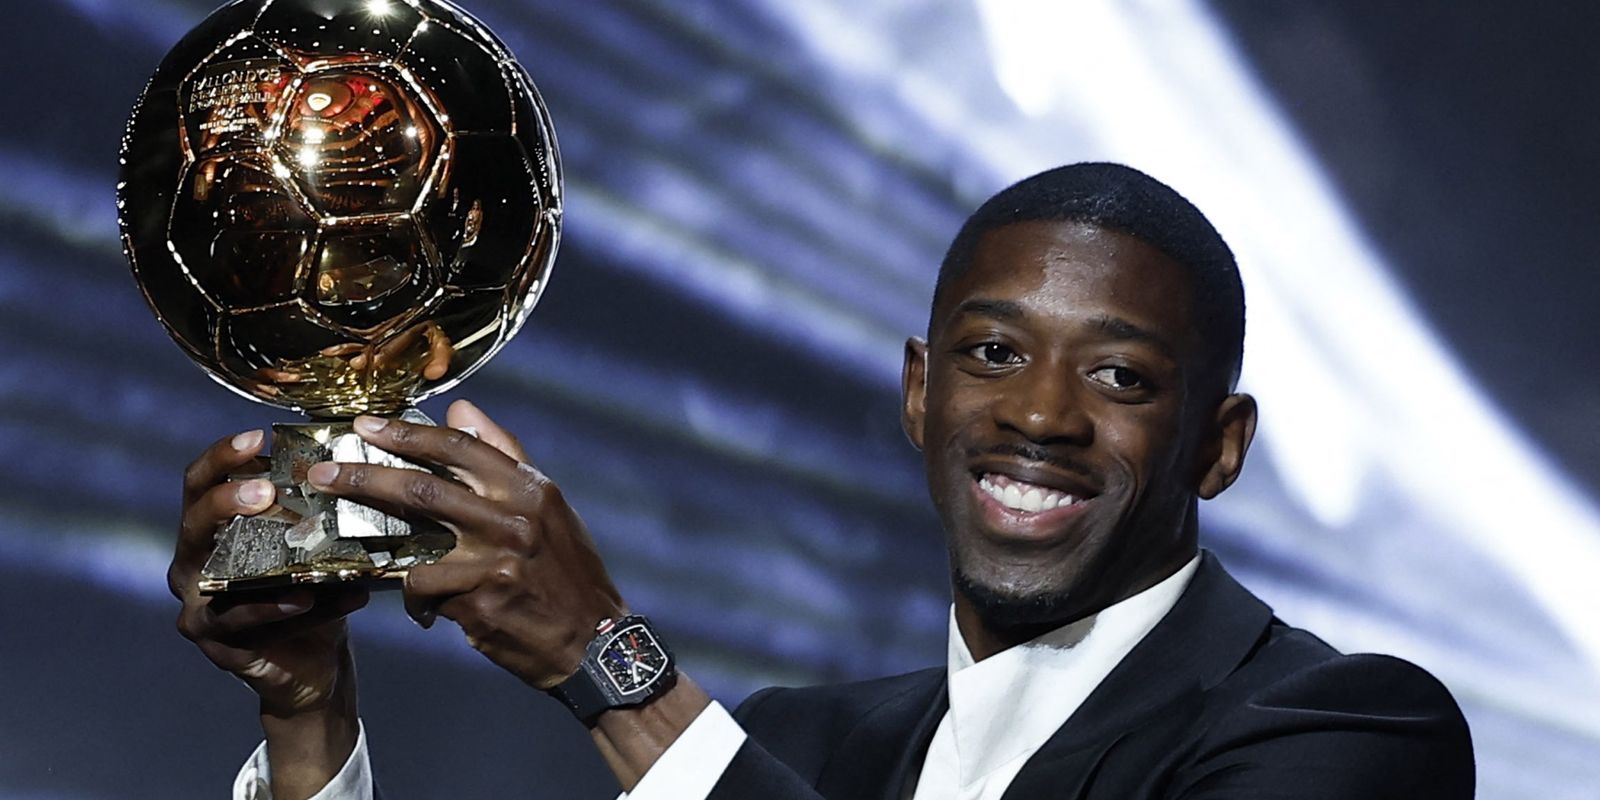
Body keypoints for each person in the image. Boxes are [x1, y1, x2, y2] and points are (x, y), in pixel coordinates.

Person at [169, 163, 1475, 800]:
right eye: (993, 354)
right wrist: (308, 719)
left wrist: (609, 664)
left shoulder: (1342, 737)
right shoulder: (797, 751)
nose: (1040, 414)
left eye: (1121, 376)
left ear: (1219, 445)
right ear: (920, 394)